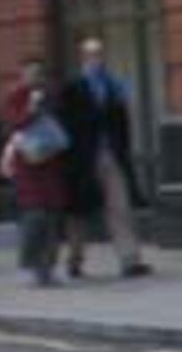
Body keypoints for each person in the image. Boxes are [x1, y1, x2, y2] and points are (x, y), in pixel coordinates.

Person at [58, 34, 150, 279]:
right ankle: (75, 259)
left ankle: (130, 259)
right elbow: (64, 123)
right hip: (82, 159)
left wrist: (124, 150)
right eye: (90, 54)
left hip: (110, 154)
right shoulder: (73, 87)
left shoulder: (113, 86)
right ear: (82, 57)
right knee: (78, 212)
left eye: (99, 53)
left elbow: (122, 123)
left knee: (120, 206)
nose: (95, 59)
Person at [0, 58, 71, 288]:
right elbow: (13, 123)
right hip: (28, 166)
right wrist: (30, 109)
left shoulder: (49, 96)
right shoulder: (15, 97)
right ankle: (28, 265)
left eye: (39, 73)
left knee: (51, 220)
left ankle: (47, 269)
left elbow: (59, 123)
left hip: (50, 164)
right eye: (30, 73)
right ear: (22, 75)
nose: (35, 78)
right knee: (34, 217)